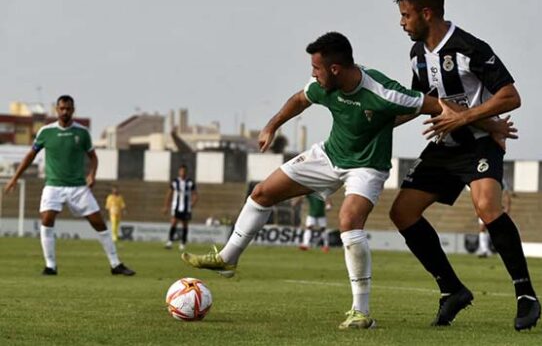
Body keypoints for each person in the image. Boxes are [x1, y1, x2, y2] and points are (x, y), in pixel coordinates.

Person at [180, 32, 515, 330]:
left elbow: (439, 106)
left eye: (317, 68)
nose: (313, 74)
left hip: (367, 167)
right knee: (262, 193)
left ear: (336, 69)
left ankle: (361, 311)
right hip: (328, 156)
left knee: (348, 220)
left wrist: (492, 125)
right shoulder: (324, 87)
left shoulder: (384, 92)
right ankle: (228, 257)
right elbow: (298, 100)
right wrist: (272, 126)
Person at [389, 0, 540, 331]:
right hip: (445, 147)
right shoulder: (417, 56)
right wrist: (373, 121)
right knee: (402, 212)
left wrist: (469, 118)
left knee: (487, 206)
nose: (402, 22)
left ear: (427, 13)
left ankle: (526, 295)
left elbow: (510, 97)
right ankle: (452, 290)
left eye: (406, 15)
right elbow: (419, 104)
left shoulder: (469, 47)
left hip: (478, 146)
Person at [2, 95, 135, 276]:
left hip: (78, 188)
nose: (65, 112)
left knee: (99, 223)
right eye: (62, 108)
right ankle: (50, 265)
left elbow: (93, 157)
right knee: (47, 220)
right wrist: (14, 178)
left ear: (73, 110)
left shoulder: (82, 133)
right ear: (56, 110)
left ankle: (115, 264)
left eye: (68, 109)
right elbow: (30, 156)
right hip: (53, 186)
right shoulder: (46, 132)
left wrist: (92, 174)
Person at [163, 165, 198, 251]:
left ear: (186, 172)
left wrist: (193, 203)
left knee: (185, 225)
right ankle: (170, 241)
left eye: (184, 171)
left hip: (186, 208)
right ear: (179, 172)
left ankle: (183, 243)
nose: (183, 173)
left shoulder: (190, 182)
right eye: (181, 171)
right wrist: (166, 206)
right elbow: (169, 194)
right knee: (174, 222)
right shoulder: (175, 182)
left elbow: (195, 194)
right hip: (176, 207)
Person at [477, 181, 512, 258]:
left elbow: (506, 194)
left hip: (496, 208)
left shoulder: (501, 180)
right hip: (485, 207)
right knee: (482, 228)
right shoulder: (483, 179)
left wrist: (507, 207)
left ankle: (504, 250)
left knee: (498, 230)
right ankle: (484, 251)